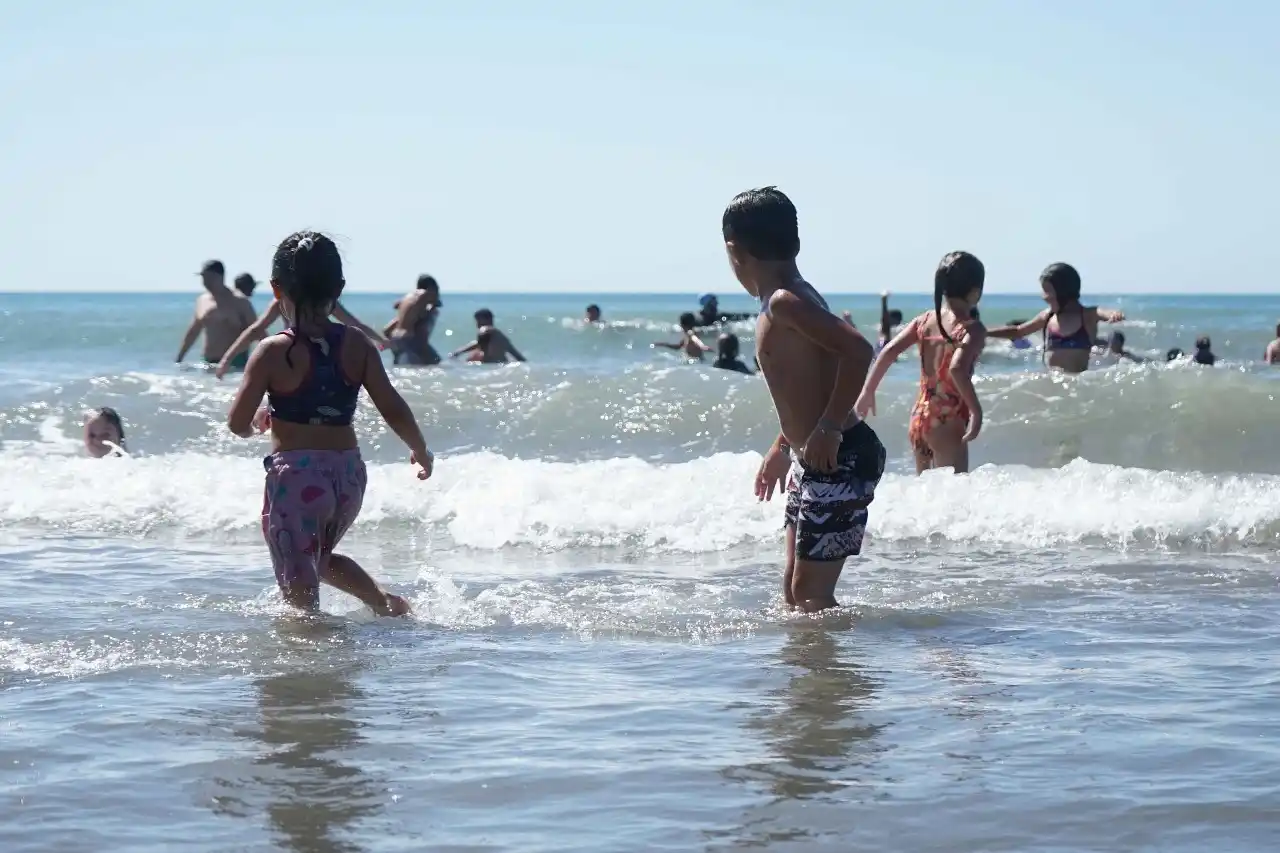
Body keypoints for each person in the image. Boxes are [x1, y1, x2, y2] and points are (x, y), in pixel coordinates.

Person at [226, 231, 431, 617]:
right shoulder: (357, 344)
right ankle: (386, 605)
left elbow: (237, 423)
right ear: (338, 287)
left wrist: (258, 422)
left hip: (297, 481)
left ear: (275, 289)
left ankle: (313, 666)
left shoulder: (272, 351)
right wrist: (420, 450)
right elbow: (392, 405)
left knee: (300, 600)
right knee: (319, 558)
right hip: (347, 477)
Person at [726, 187, 884, 614]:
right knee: (796, 592)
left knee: (812, 595)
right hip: (812, 456)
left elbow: (857, 350)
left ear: (733, 250)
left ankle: (833, 681)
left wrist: (830, 427)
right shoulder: (789, 299)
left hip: (841, 454)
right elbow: (808, 387)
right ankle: (807, 676)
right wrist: (782, 447)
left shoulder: (786, 302)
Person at [857, 252, 986, 474]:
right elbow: (957, 369)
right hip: (947, 420)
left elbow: (888, 352)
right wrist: (976, 411)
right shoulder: (972, 329)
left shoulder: (924, 321)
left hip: (919, 418)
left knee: (925, 493)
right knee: (953, 496)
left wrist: (868, 392)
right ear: (975, 292)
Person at [985, 263, 1124, 373]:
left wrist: (1113, 314)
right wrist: (984, 332)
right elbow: (1018, 331)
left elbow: (1102, 312)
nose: (1043, 296)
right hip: (1051, 386)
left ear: (1064, 291)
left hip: (1077, 386)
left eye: (1047, 291)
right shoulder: (1047, 316)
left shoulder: (1087, 315)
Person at [215, 297, 385, 379]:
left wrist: (226, 361)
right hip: (306, 356)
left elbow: (255, 330)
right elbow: (255, 330)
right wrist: (226, 360)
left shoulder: (324, 299)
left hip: (297, 357)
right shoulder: (284, 300)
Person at [176, 260, 259, 371]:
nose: (205, 282)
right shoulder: (202, 301)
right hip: (207, 362)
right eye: (203, 278)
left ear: (220, 277)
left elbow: (258, 331)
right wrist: (179, 357)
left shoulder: (240, 301)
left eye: (209, 278)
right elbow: (193, 332)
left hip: (235, 364)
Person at [384, 275, 443, 366]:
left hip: (395, 338)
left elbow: (396, 305)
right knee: (432, 363)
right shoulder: (424, 294)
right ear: (431, 288)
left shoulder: (409, 296)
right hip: (408, 339)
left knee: (401, 370)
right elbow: (438, 303)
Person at [449, 309, 526, 363]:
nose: (477, 324)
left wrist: (458, 352)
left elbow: (483, 334)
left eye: (478, 321)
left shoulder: (486, 330)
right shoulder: (503, 338)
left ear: (488, 320)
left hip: (489, 367)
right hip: (500, 366)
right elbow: (519, 357)